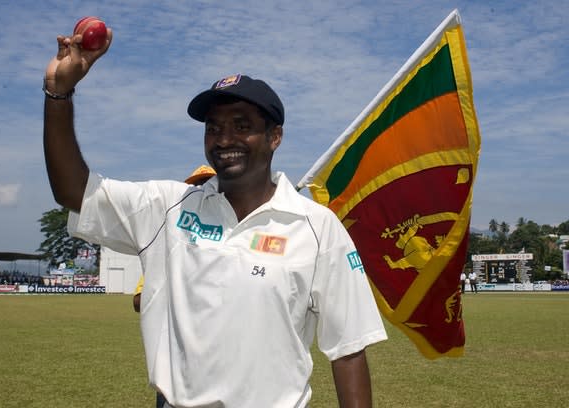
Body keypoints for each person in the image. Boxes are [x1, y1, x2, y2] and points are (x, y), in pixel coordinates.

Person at [43, 27, 387, 408]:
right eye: (214, 128)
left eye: (242, 126)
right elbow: (73, 191)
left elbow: (348, 350)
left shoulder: (318, 228)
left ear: (275, 137)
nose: (224, 140)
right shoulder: (167, 207)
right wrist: (59, 93)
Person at [132, 165, 216, 408]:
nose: (201, 189)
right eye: (196, 185)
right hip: (176, 363)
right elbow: (138, 300)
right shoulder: (169, 246)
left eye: (208, 183)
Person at [132, 165, 217, 314]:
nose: (204, 189)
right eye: (198, 185)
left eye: (211, 183)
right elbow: (138, 302)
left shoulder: (237, 233)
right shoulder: (170, 241)